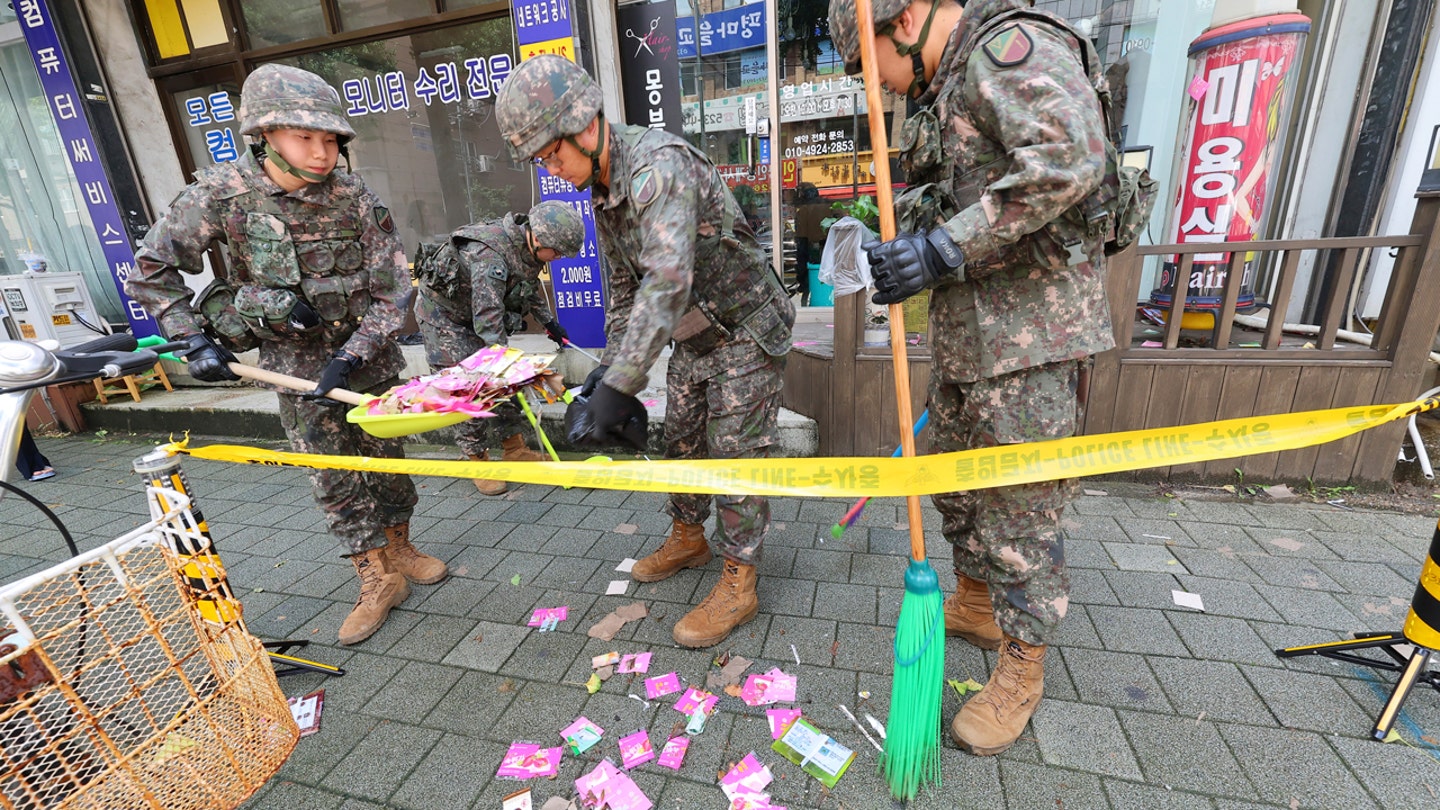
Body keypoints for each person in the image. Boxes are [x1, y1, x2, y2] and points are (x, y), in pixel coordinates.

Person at [827, 0, 1114, 756]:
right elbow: (965, 187)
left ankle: (1023, 666)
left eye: (871, 66)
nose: (878, 85)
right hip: (967, 337)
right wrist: (902, 238)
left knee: (1021, 512)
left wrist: (942, 249)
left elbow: (1070, 158)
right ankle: (977, 604)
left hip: (1031, 337)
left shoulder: (1006, 51)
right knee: (956, 485)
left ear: (906, 18)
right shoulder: (948, 82)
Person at [127, 64, 447, 646]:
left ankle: (400, 549)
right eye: (306, 137)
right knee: (332, 474)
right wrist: (192, 338)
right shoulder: (223, 195)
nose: (322, 153)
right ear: (265, 134)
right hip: (291, 368)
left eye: (331, 140)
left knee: (388, 462)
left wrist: (351, 357)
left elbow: (392, 289)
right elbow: (152, 269)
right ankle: (375, 577)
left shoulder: (355, 196)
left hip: (366, 363)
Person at [495, 55, 795, 649]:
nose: (553, 171)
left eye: (552, 155)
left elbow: (666, 281)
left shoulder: (658, 168)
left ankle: (739, 578)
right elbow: (627, 291)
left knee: (733, 456)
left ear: (583, 124)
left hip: (745, 327)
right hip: (693, 334)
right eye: (542, 162)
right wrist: (608, 370)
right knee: (681, 437)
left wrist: (621, 385)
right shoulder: (602, 190)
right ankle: (688, 536)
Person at [414, 201, 585, 495]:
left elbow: (527, 288)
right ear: (539, 238)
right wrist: (505, 363)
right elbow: (488, 320)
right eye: (556, 252)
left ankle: (514, 449)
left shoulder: (526, 247)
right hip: (443, 318)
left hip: (475, 312)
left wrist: (549, 324)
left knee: (503, 379)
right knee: (466, 387)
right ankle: (477, 461)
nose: (557, 258)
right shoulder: (489, 254)